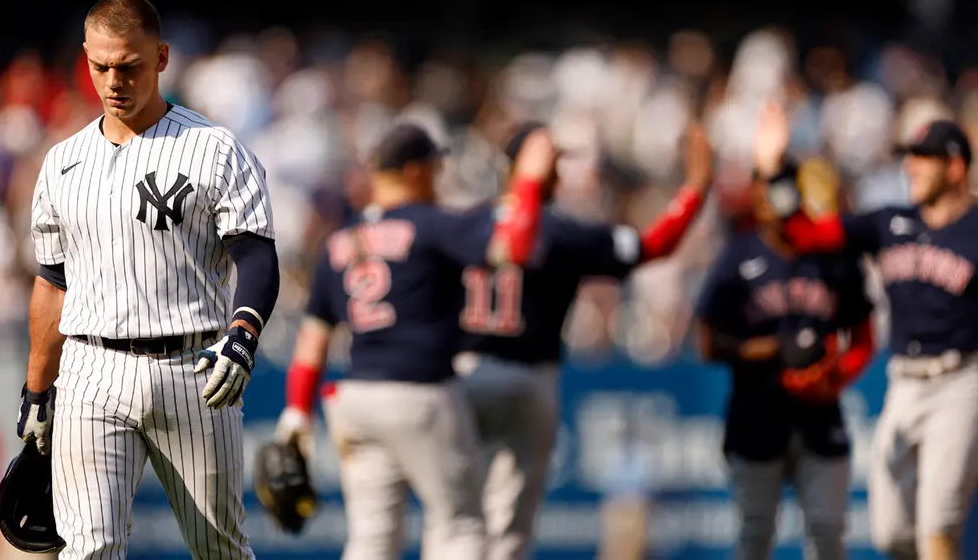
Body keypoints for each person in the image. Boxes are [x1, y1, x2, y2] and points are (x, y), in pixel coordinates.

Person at [15, 0, 277, 559]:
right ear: (85, 57)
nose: (113, 80)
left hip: (194, 369)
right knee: (88, 549)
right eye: (100, 65)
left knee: (219, 549)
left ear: (160, 58)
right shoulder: (62, 162)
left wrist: (244, 333)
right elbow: (52, 282)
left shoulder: (213, 149)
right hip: (91, 371)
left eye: (129, 66)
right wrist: (38, 390)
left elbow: (256, 257)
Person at [274, 122, 553, 560]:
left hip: (355, 399)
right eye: (434, 167)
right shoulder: (431, 224)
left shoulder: (340, 241)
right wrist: (531, 183)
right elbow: (512, 251)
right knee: (461, 525)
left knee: (371, 538)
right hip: (420, 393)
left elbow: (313, 341)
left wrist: (296, 414)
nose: (438, 177)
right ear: (416, 170)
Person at [449, 121, 712, 560]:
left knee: (458, 523)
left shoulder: (460, 225)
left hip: (463, 378)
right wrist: (696, 188)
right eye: (553, 164)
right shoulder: (561, 232)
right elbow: (654, 246)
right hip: (529, 380)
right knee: (508, 530)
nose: (558, 174)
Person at [774, 102, 978, 560]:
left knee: (938, 527)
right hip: (904, 381)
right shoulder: (888, 222)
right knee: (892, 535)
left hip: (964, 380)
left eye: (922, 157)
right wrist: (776, 177)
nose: (910, 166)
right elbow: (805, 234)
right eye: (909, 155)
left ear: (955, 166)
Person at [694, 154, 875, 560]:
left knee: (828, 533)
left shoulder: (832, 255)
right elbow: (706, 342)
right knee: (755, 533)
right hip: (756, 413)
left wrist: (836, 373)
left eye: (773, 187)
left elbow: (863, 333)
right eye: (759, 187)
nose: (764, 198)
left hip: (821, 415)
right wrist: (770, 349)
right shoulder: (739, 256)